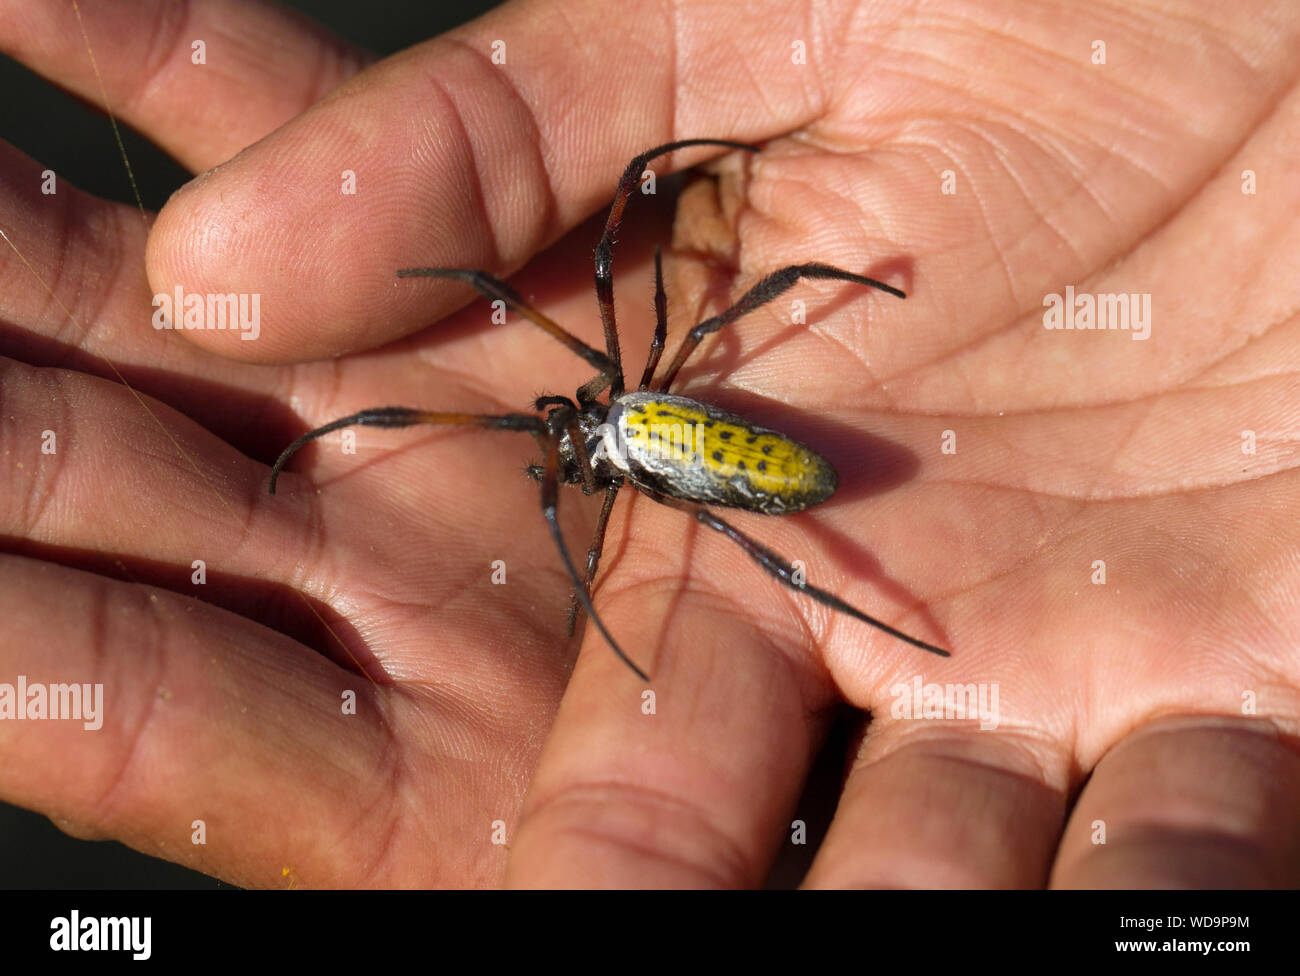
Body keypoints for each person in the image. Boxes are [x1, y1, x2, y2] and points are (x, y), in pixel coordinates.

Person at [1, 0, 1297, 889]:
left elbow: (600, 376)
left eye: (562, 439)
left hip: (694, 449)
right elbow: (594, 369)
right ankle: (874, 609)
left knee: (701, 363)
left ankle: (879, 607)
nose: (550, 439)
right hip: (682, 444)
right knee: (697, 379)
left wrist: (592, 577)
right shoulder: (610, 420)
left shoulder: (600, 430)